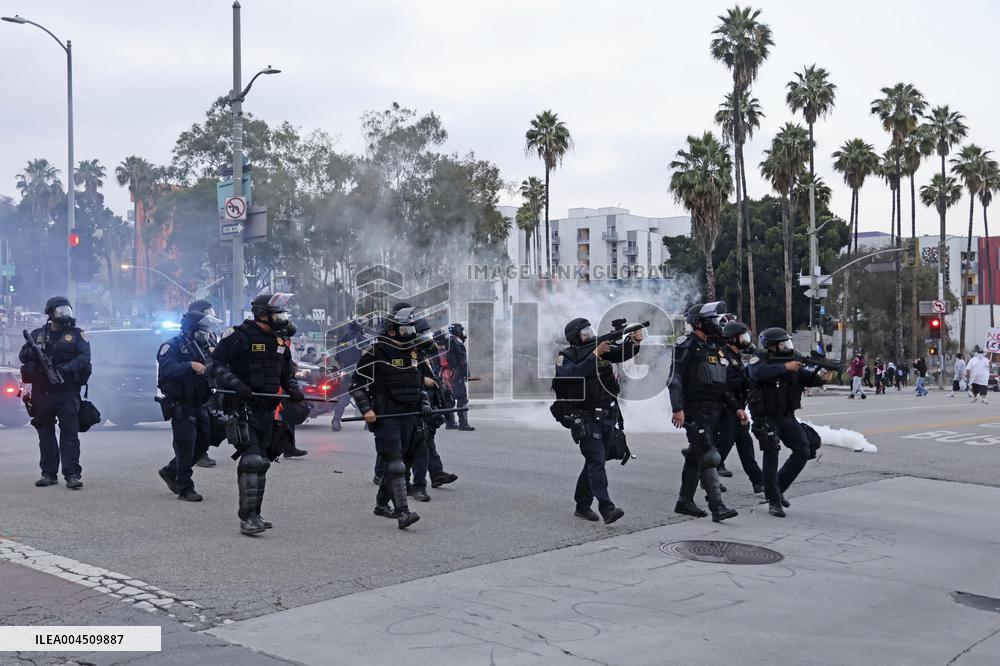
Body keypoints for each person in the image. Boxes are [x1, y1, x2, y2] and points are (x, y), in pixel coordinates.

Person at [208, 293, 304, 536]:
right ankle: (248, 518)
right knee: (252, 460)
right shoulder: (238, 335)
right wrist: (236, 384)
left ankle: (254, 512)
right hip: (242, 407)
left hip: (268, 410)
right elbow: (215, 365)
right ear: (263, 314)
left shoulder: (279, 342)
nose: (282, 318)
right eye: (277, 313)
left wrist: (293, 390)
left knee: (262, 463)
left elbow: (286, 373)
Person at [553, 316, 642, 524]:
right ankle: (607, 507)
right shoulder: (565, 356)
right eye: (585, 333)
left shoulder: (599, 349)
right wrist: (595, 354)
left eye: (590, 331)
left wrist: (634, 342)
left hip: (606, 415)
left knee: (597, 460)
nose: (590, 335)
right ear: (575, 338)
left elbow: (620, 353)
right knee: (595, 460)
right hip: (583, 417)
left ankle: (582, 504)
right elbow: (570, 375)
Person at [349, 306, 431, 529]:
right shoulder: (377, 351)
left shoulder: (414, 352)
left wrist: (424, 404)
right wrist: (366, 409)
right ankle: (403, 512)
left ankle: (381, 503)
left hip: (411, 417)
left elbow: (419, 383)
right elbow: (356, 384)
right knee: (395, 463)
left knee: (402, 461)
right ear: (393, 330)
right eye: (406, 329)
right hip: (387, 416)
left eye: (412, 328)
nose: (411, 333)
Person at [747, 328, 833, 517]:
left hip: (786, 416)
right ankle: (774, 501)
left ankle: (778, 489)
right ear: (771, 346)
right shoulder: (758, 360)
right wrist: (786, 367)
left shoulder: (792, 361)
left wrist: (821, 377)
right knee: (771, 451)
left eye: (788, 343)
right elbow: (757, 373)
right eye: (782, 344)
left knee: (803, 450)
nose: (787, 347)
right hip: (766, 417)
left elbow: (805, 378)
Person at [669, 302, 738, 522]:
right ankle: (717, 507)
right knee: (709, 455)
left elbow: (721, 383)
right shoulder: (687, 345)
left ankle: (684, 502)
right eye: (712, 319)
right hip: (694, 410)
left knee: (695, 456)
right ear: (699, 323)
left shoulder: (714, 347)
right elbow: (674, 379)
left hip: (715, 410)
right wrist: (678, 408)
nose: (717, 324)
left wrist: (737, 409)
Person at [19, 296, 92, 489]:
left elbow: (84, 358)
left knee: (69, 434)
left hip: (67, 391)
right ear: (50, 314)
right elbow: (22, 356)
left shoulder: (78, 334)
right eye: (60, 311)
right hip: (42, 393)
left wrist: (65, 370)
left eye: (66, 310)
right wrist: (31, 353)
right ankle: (48, 473)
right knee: (45, 434)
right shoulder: (36, 335)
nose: (64, 314)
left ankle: (72, 474)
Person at [156, 310, 222, 502]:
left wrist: (214, 356)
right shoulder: (172, 346)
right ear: (192, 330)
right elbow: (166, 370)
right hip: (181, 403)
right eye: (203, 331)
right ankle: (185, 486)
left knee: (204, 442)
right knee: (186, 444)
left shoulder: (205, 346)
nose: (207, 334)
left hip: (201, 402)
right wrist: (190, 366)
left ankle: (171, 470)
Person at [406, 318, 459, 501]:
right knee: (407, 446)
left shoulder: (425, 353)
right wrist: (423, 380)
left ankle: (436, 474)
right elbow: (401, 376)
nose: (428, 336)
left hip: (427, 403)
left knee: (426, 440)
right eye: (424, 333)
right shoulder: (407, 352)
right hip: (412, 403)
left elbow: (433, 374)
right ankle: (388, 477)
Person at [714, 321, 764, 494]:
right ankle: (707, 478)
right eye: (742, 337)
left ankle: (759, 482)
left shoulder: (735, 357)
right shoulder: (724, 358)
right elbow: (725, 388)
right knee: (721, 449)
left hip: (738, 411)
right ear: (732, 339)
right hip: (727, 412)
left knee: (746, 447)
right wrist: (736, 408)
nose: (746, 340)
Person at [187, 299, 222, 468]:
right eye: (208, 312)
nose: (212, 316)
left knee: (214, 422)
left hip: (211, 383)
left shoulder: (210, 334)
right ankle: (199, 454)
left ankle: (201, 450)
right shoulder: (191, 335)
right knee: (201, 423)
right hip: (197, 385)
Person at [330, 319, 366, 432]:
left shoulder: (342, 339)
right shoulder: (362, 339)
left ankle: (336, 421)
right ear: (359, 327)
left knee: (344, 397)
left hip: (345, 371)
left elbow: (336, 357)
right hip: (360, 372)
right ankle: (369, 424)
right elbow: (369, 354)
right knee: (367, 396)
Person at [442, 323, 475, 431]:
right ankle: (463, 424)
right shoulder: (456, 343)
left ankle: (450, 422)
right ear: (458, 331)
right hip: (456, 373)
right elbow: (463, 361)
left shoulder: (445, 341)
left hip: (445, 373)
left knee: (448, 397)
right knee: (462, 398)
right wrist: (466, 374)